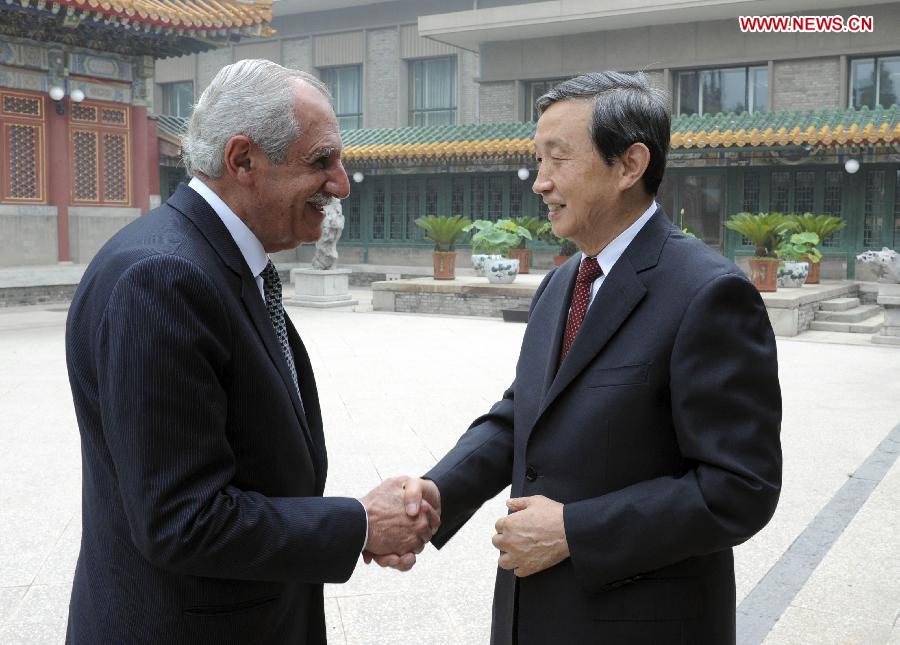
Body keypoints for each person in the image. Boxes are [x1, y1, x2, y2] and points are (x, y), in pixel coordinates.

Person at [399, 72, 782, 645]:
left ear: (629, 165)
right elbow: (523, 412)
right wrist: (441, 489)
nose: (540, 182)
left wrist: (575, 530)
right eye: (537, 159)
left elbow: (741, 488)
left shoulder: (708, 294)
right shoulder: (563, 284)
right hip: (533, 615)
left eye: (557, 159)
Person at [64, 59, 436, 645]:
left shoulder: (219, 262)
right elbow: (182, 520)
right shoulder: (164, 276)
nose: (340, 184)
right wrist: (359, 524)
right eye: (322, 161)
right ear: (243, 161)